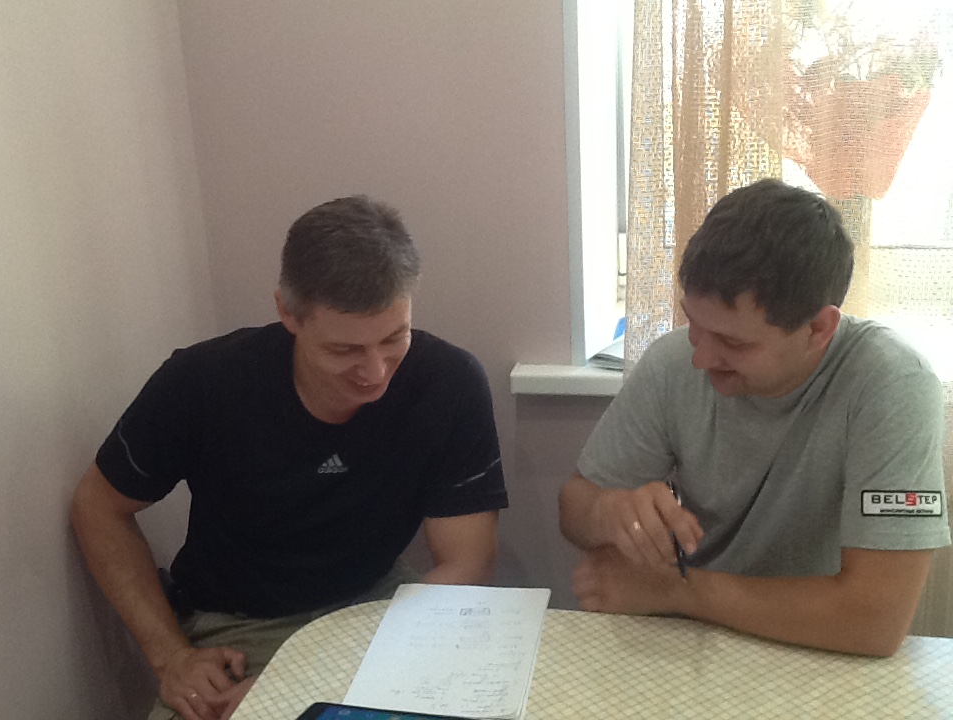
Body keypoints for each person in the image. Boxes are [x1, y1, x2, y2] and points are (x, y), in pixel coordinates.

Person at [70, 196, 508, 720]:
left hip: (381, 609)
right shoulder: (203, 382)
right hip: (237, 627)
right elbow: (98, 505)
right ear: (287, 314)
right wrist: (171, 657)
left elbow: (467, 563)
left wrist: (302, 679)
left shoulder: (450, 381)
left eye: (395, 338)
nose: (375, 373)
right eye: (344, 350)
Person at [559, 178, 949, 658]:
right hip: (686, 646)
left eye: (733, 343)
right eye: (693, 323)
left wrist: (677, 591)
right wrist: (607, 512)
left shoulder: (894, 383)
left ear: (818, 329)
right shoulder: (671, 362)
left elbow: (875, 621)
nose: (701, 357)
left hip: (820, 653)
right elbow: (574, 507)